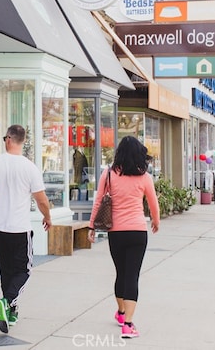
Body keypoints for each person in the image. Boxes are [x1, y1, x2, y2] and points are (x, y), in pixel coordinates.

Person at [0, 124, 52, 334]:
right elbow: (41, 199)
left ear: (8, 139)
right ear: (22, 142)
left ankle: (11, 311)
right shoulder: (29, 167)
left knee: (7, 271)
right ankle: (7, 302)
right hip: (19, 228)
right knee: (24, 270)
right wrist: (47, 216)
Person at [87, 136, 160, 339]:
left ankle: (121, 313)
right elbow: (153, 203)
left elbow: (98, 201)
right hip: (137, 231)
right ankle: (128, 324)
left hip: (116, 233)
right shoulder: (144, 177)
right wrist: (156, 221)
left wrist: (92, 226)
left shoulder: (109, 175)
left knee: (121, 273)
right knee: (132, 276)